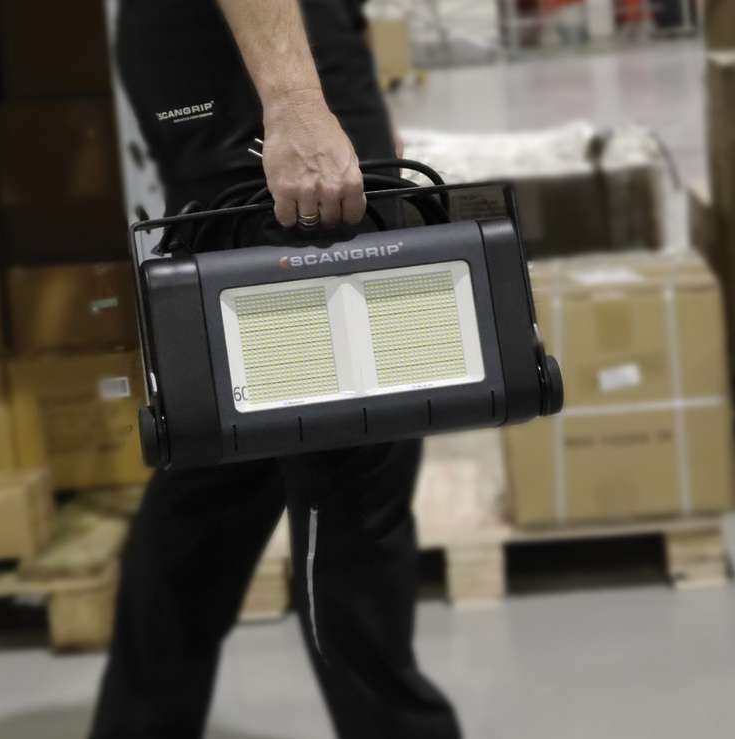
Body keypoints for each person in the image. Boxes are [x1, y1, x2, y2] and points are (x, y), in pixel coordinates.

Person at [89, 2, 462, 737]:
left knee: (227, 446)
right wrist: (295, 101)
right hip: (250, 71)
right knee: (351, 461)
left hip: (234, 64)